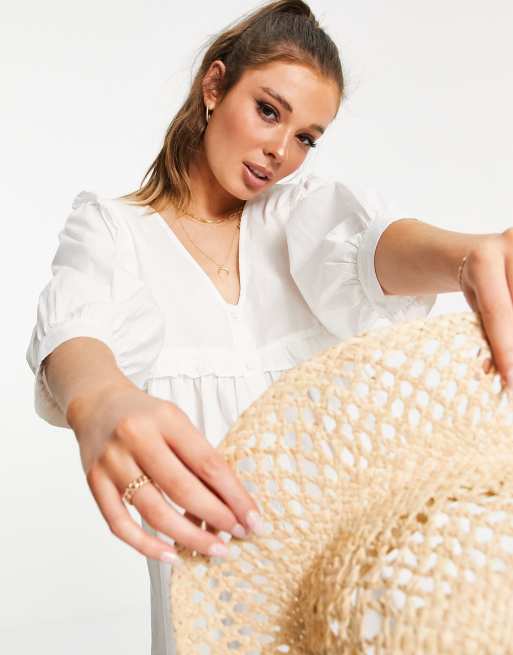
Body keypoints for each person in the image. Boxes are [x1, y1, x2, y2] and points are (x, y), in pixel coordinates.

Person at [25, 1, 445, 653]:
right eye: (269, 111)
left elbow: (374, 252)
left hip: (353, 605)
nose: (281, 151)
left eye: (307, 137)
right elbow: (75, 335)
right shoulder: (116, 232)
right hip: (215, 623)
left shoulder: (296, 217)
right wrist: (99, 397)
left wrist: (468, 252)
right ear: (215, 85)